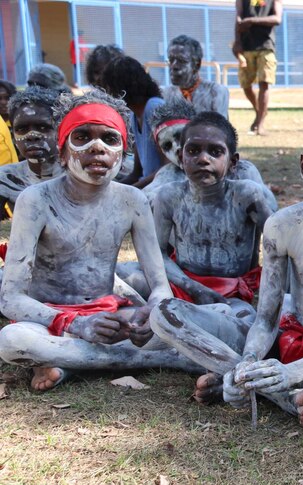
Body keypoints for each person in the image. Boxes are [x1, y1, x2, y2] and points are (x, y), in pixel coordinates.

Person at [149, 104, 303, 424]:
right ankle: (255, 381)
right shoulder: (283, 225)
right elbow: (266, 320)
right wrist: (249, 360)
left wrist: (289, 373)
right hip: (286, 340)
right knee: (164, 314)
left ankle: (279, 387)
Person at [0, 89, 200, 391]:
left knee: (185, 324)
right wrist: (75, 324)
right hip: (50, 320)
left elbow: (159, 285)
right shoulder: (35, 200)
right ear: (63, 151)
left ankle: (67, 364)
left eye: (109, 139)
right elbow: (10, 298)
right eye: (82, 137)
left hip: (110, 318)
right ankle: (163, 360)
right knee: (13, 341)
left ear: (123, 151)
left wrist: (149, 314)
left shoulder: (132, 199)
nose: (97, 148)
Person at [149, 112, 273, 326]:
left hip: (232, 295)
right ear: (181, 157)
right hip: (182, 286)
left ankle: (181, 326)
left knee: (243, 322)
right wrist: (192, 287)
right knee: (127, 275)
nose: (203, 159)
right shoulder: (169, 196)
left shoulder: (246, 195)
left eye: (215, 152)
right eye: (193, 151)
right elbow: (157, 252)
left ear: (233, 162)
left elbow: (279, 246)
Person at [136, 101, 276, 210]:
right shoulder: (168, 175)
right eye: (167, 146)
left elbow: (269, 209)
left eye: (180, 137)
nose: (176, 148)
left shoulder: (243, 171)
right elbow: (143, 200)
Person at [101, 56, 165, 188]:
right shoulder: (133, 115)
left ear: (122, 88)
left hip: (160, 190)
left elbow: (167, 169)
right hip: (147, 188)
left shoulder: (154, 107)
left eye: (110, 89)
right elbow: (137, 173)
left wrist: (132, 191)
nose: (108, 96)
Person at [0, 87, 64, 218]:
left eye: (43, 127)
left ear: (60, 130)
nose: (32, 136)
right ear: (13, 135)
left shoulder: (79, 174)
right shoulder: (7, 178)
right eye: (22, 129)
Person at [235, 0, 283, 136]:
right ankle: (259, 112)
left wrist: (251, 20)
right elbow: (238, 18)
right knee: (245, 85)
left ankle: (260, 124)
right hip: (246, 46)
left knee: (264, 84)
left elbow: (277, 18)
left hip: (266, 46)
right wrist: (237, 41)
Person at [163, 35, 230, 118]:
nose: (173, 66)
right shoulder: (166, 94)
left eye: (181, 61)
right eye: (170, 60)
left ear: (196, 65)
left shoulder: (215, 93)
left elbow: (220, 129)